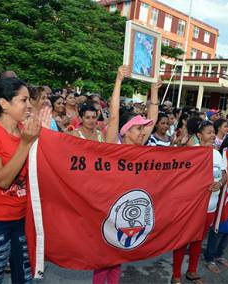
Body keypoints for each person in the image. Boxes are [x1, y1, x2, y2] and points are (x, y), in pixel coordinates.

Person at [0, 77, 50, 283]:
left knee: (25, 279)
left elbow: (41, 173)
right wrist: (26, 143)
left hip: (24, 219)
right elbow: (2, 180)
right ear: (4, 103)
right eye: (23, 100)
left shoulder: (27, 131)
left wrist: (45, 138)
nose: (29, 105)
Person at [92, 65, 161, 284]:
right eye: (138, 129)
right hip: (107, 208)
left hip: (128, 209)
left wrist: (154, 91)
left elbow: (154, 116)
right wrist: (118, 80)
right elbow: (113, 116)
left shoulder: (140, 146)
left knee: (117, 257)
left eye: (144, 129)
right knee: (102, 259)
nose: (143, 132)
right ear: (125, 131)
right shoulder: (115, 144)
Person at [172, 120, 227, 284]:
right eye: (209, 132)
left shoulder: (216, 154)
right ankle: (176, 275)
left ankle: (192, 271)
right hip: (193, 208)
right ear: (198, 135)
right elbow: (181, 177)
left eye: (213, 132)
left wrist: (220, 183)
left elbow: (224, 174)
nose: (212, 135)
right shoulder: (191, 153)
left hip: (211, 206)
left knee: (198, 240)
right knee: (183, 240)